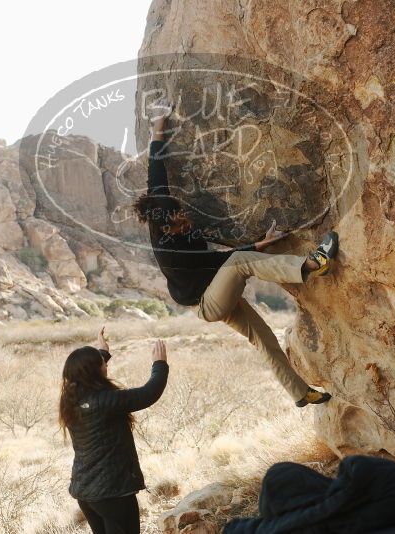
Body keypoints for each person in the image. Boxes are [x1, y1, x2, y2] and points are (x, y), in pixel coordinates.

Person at [133, 99, 338, 408]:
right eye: (179, 220)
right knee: (239, 261)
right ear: (165, 229)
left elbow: (155, 167)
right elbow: (217, 260)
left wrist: (158, 125)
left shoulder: (160, 205)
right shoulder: (168, 252)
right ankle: (310, 266)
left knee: (263, 338)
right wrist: (259, 245)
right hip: (207, 303)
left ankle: (300, 393)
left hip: (214, 291)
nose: (184, 217)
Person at [60, 326, 169, 534]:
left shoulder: (70, 398)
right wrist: (160, 364)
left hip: (87, 493)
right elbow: (149, 392)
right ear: (96, 371)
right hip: (112, 494)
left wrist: (103, 352)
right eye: (102, 364)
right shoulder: (106, 401)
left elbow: (86, 372)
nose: (105, 366)